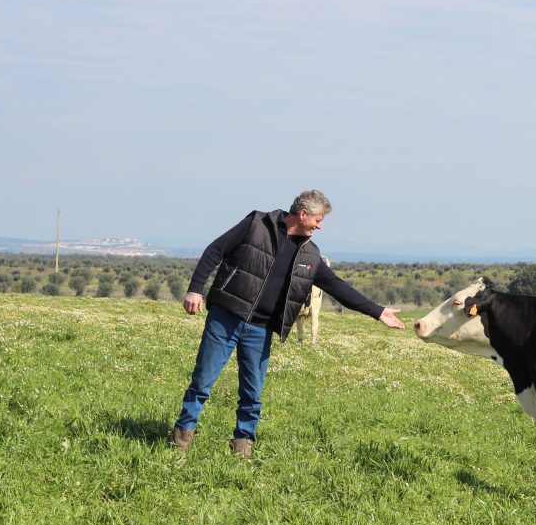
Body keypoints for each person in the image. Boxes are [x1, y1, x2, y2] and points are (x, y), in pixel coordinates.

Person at [168, 190, 404, 458]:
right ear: (303, 214)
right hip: (226, 317)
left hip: (260, 329)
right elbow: (215, 250)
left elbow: (338, 287)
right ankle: (183, 435)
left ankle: (243, 442)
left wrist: (377, 311)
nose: (320, 225)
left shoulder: (311, 255)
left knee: (252, 392)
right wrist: (195, 290)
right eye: (318, 219)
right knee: (203, 380)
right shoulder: (257, 224)